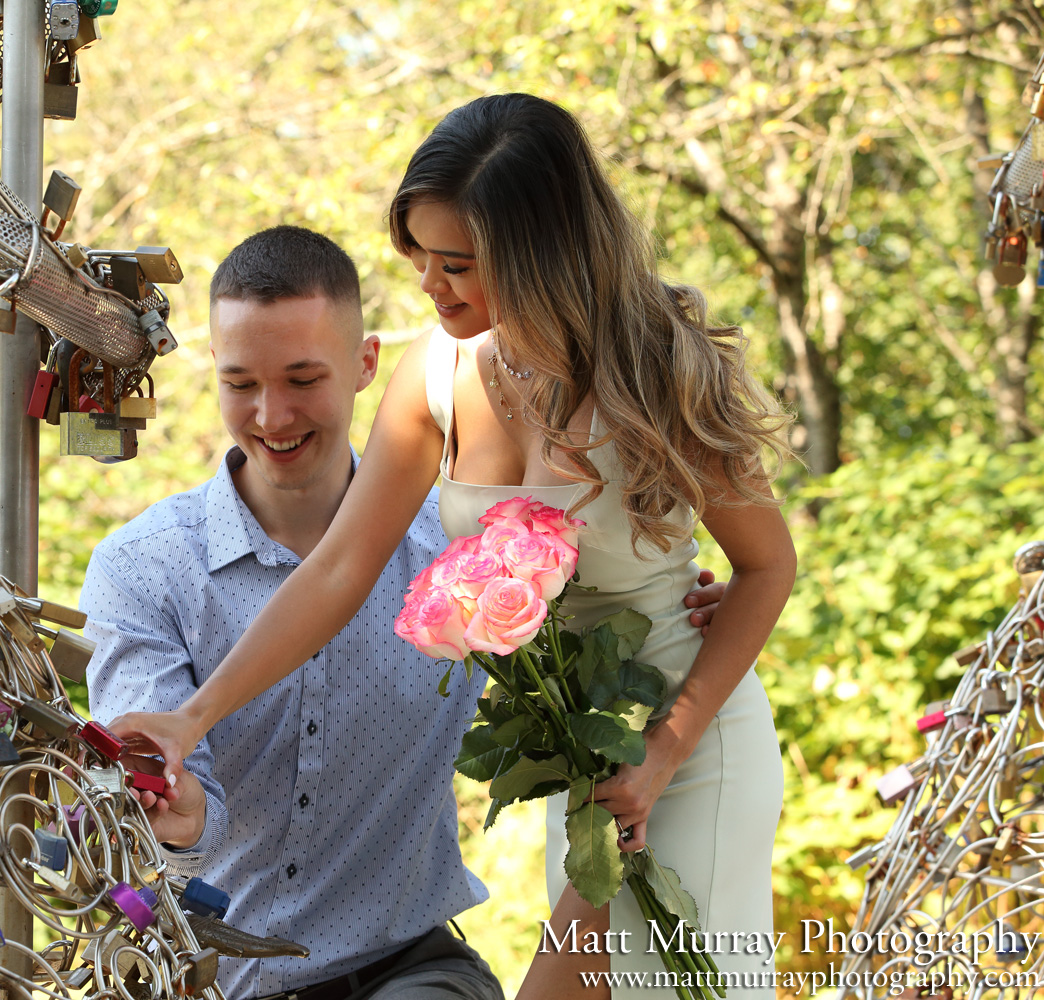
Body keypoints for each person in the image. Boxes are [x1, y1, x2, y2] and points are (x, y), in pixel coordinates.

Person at [106, 95, 796, 1000]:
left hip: (689, 743)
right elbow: (341, 571)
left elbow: (766, 565)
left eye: (458, 263)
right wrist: (191, 720)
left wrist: (666, 747)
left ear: (538, 255)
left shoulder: (658, 365)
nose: (432, 284)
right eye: (421, 256)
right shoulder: (437, 374)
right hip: (579, 760)